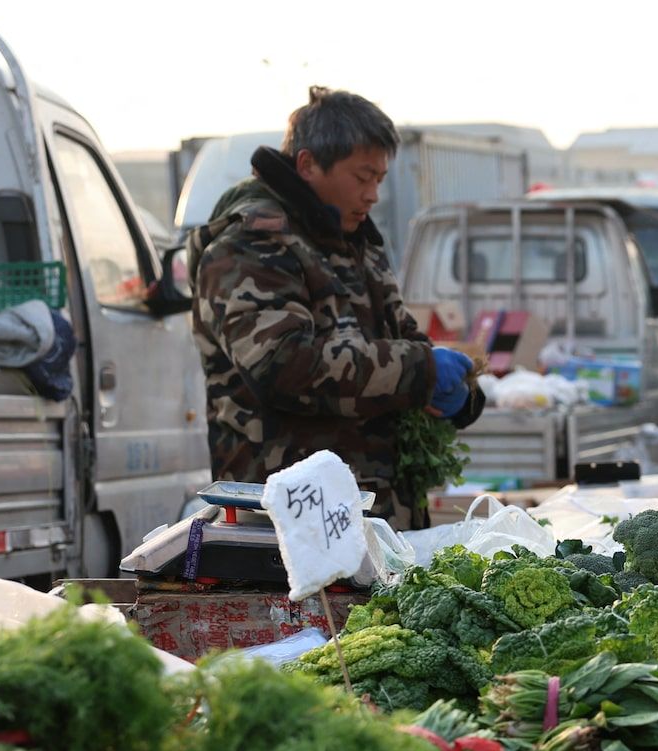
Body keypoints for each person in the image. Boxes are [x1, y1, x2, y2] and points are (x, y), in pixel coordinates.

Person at [189, 88, 483, 529]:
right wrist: (419, 371)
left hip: (375, 516)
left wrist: (455, 395)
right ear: (307, 164)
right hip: (293, 525)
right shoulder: (251, 246)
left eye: (380, 180)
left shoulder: (355, 242)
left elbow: (402, 338)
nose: (372, 195)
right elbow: (283, 365)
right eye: (362, 177)